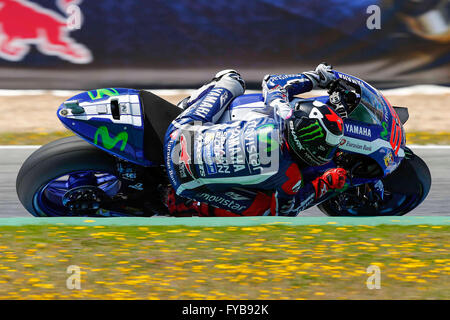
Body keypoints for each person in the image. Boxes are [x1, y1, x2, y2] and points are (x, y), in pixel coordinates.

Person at [164, 63, 347, 217]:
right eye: (325, 148)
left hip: (177, 135)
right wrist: (324, 185)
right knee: (266, 210)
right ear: (309, 146)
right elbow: (284, 213)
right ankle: (192, 206)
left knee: (232, 78)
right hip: (184, 183)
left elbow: (272, 82)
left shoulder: (280, 112)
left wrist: (316, 77)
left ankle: (187, 106)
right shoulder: (291, 177)